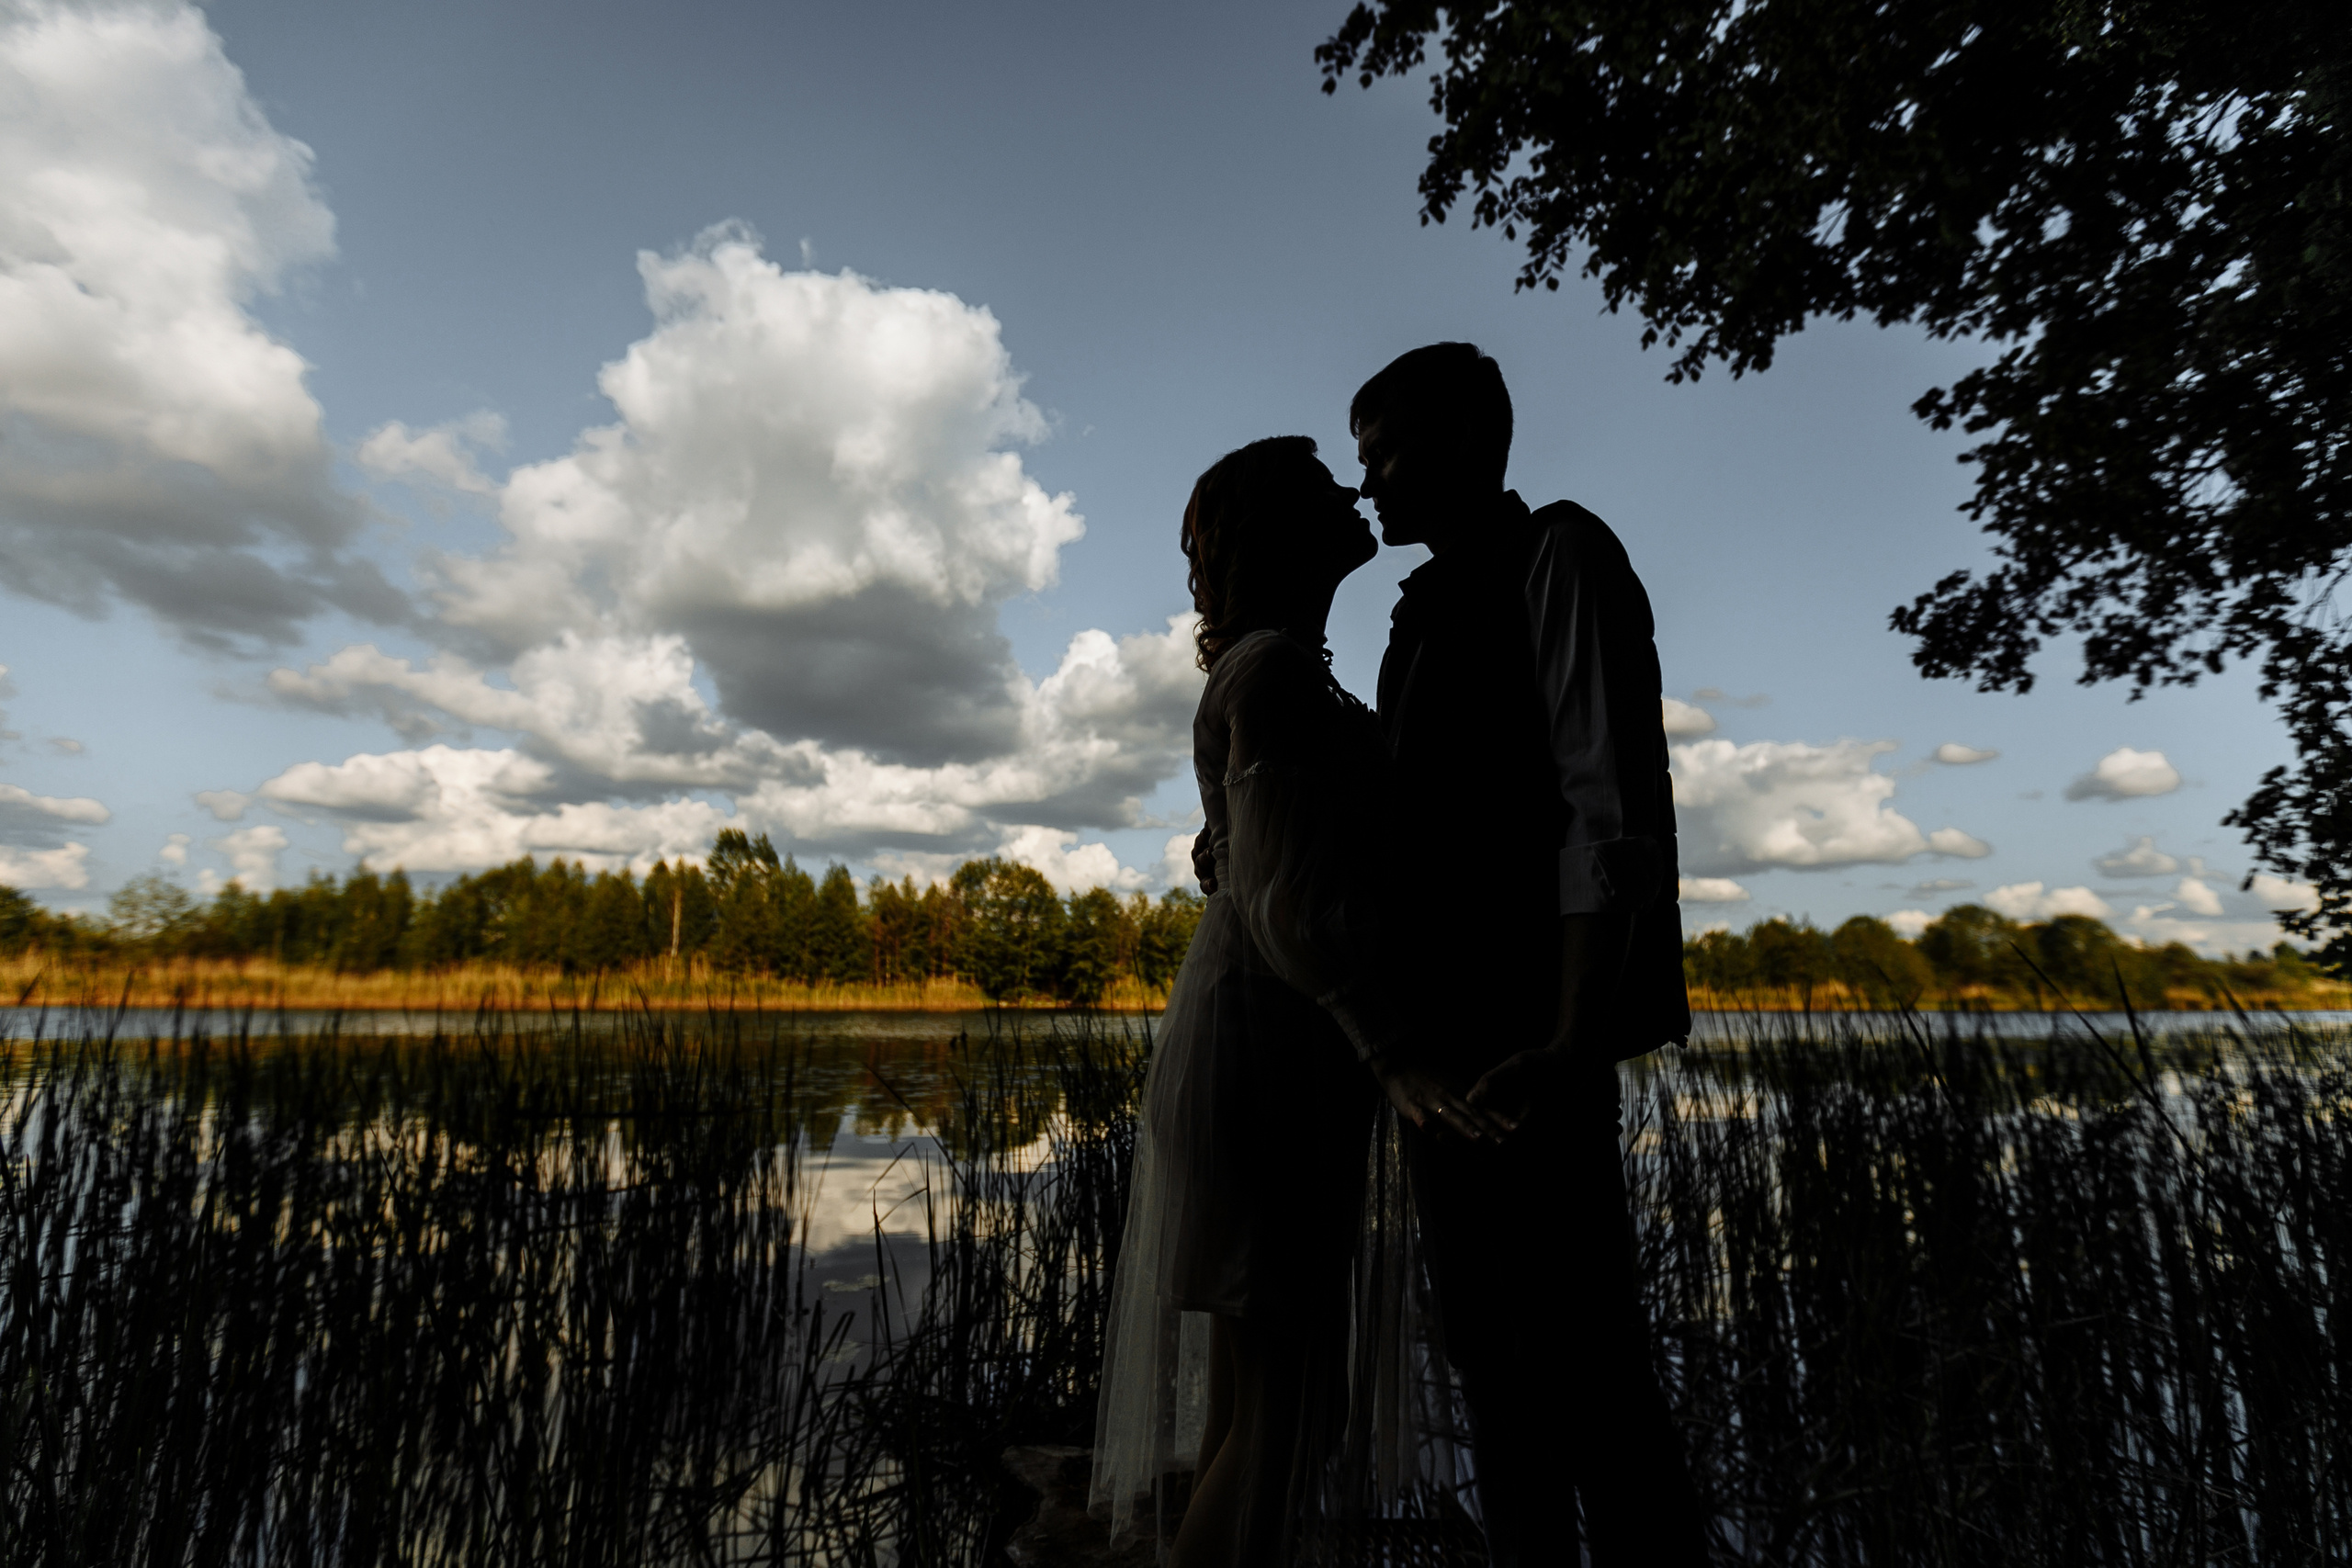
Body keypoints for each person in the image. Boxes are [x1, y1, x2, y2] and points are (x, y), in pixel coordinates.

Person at [1090, 435, 1500, 1566]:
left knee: (1262, 1403)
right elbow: (1281, 900)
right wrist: (1393, 1051)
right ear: (1279, 531)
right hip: (1269, 1052)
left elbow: (1249, 853)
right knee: (1286, 1415)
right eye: (1326, 486)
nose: (1356, 490)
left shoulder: (1282, 674)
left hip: (1277, 1044)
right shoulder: (1271, 672)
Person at [1354, 342, 1713, 1566]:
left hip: (1530, 1038)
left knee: (1588, 1365)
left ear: (1464, 438)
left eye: (1385, 453)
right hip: (1441, 1046)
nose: (1369, 482)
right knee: (1489, 1364)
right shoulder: (1419, 611)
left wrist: (1569, 1034)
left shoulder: (1558, 554)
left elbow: (1602, 804)